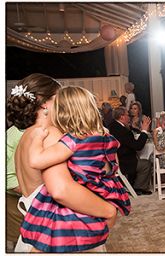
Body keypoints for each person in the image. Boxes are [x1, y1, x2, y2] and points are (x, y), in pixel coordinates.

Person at [9, 74, 117, 252]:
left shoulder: (27, 136)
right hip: (59, 235)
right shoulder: (50, 133)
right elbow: (61, 190)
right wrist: (108, 210)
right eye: (59, 99)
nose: (64, 105)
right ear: (44, 104)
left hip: (36, 231)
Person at [108, 107, 153, 195]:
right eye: (127, 115)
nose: (129, 117)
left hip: (114, 159)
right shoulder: (122, 131)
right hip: (123, 162)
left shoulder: (112, 126)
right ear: (122, 117)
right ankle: (139, 187)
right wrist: (144, 130)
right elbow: (138, 146)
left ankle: (133, 183)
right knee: (146, 164)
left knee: (139, 158)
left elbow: (131, 132)